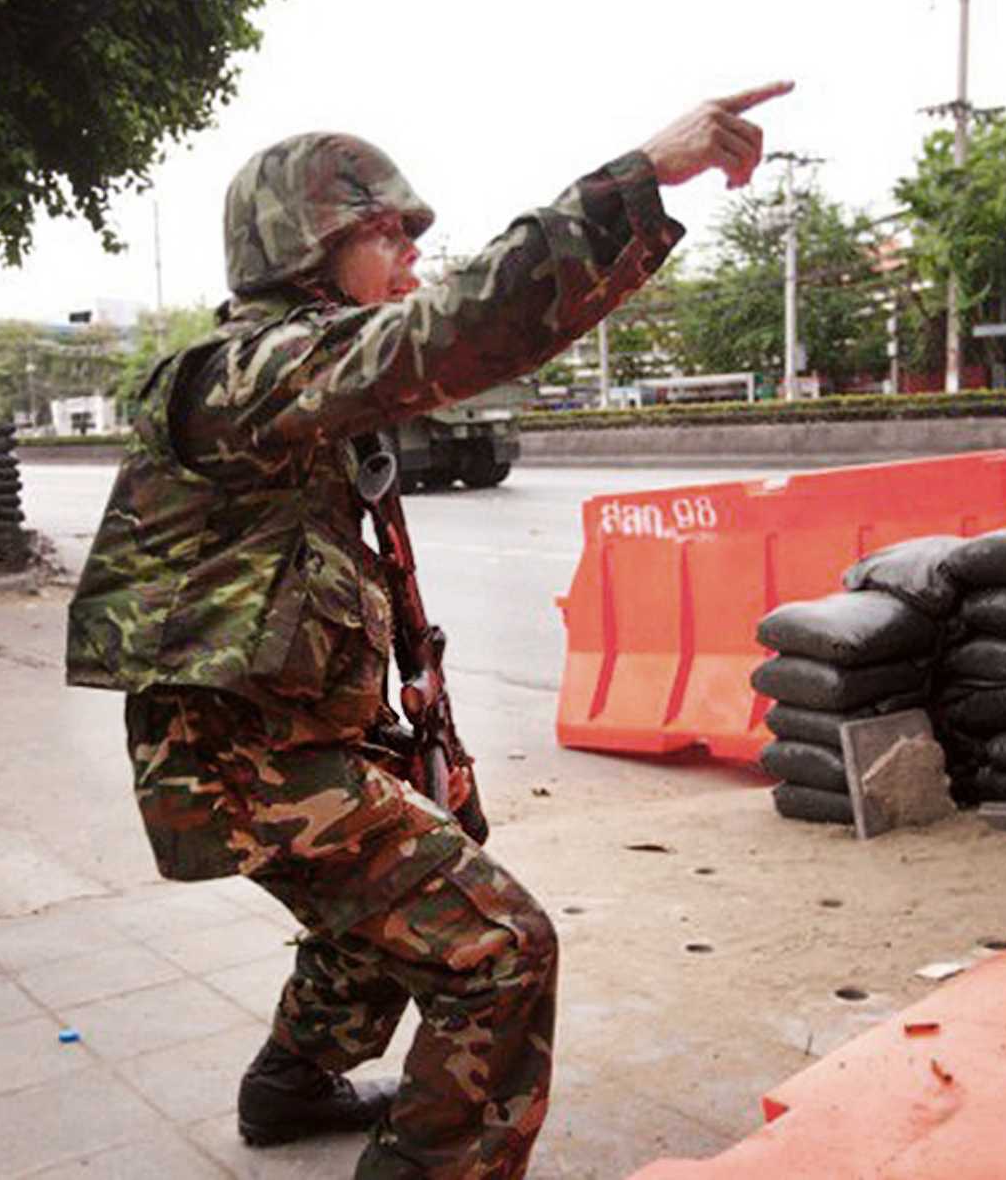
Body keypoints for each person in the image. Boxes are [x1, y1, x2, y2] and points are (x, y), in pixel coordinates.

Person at [67, 83, 789, 1178]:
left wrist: (427, 744)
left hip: (279, 733)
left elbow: (368, 586)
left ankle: (291, 1084)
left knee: (417, 883)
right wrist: (643, 175)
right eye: (384, 230)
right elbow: (454, 331)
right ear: (301, 248)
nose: (409, 252)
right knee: (500, 947)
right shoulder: (251, 372)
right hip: (235, 754)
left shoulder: (313, 393)